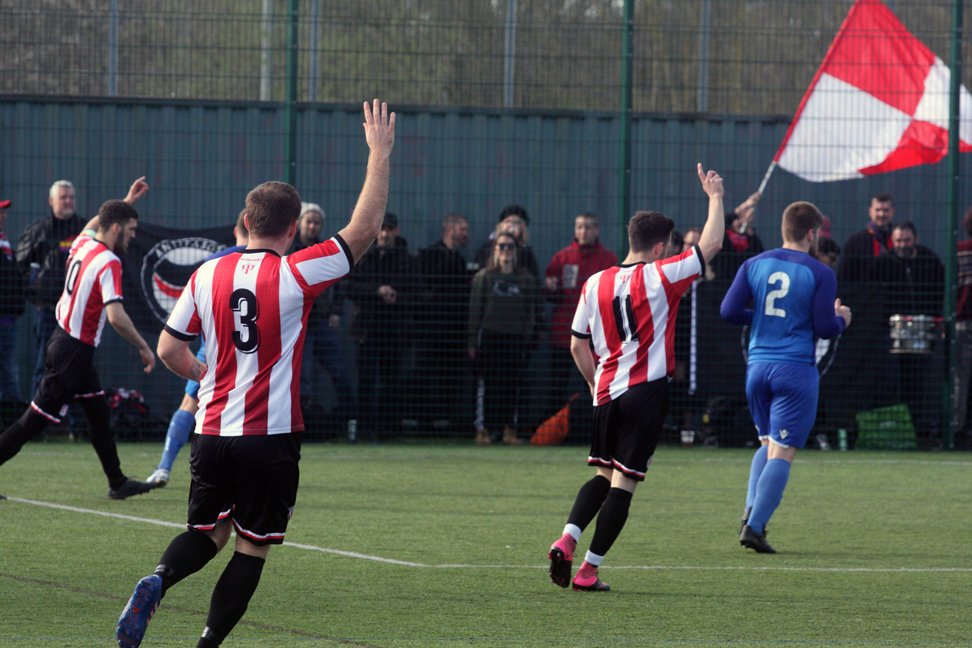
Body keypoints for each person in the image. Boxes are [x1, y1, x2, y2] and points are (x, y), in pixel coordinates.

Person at [115, 99, 395, 648]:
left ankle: (159, 579)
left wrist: (204, 371)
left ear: (245, 223)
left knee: (208, 532)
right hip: (269, 436)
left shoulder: (206, 274)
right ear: (292, 229)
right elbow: (363, 230)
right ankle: (206, 643)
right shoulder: (295, 272)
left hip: (211, 431)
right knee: (251, 546)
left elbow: (169, 348)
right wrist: (379, 154)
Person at [546, 163, 724, 591]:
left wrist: (595, 384)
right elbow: (712, 244)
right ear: (660, 246)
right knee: (623, 484)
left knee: (601, 475)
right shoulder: (663, 275)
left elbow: (576, 345)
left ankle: (566, 538)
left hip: (606, 392)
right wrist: (716, 197)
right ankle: (588, 571)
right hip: (646, 392)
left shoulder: (594, 283)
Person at [0, 178, 160, 500]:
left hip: (68, 344)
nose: (132, 236)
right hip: (72, 352)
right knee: (33, 421)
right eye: (130, 230)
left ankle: (117, 482)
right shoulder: (109, 261)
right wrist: (144, 345)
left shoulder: (83, 244)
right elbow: (116, 316)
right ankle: (117, 481)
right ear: (116, 228)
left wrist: (127, 201)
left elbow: (94, 223)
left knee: (98, 414)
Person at [720, 201, 851, 554]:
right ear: (812, 233)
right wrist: (842, 318)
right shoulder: (820, 272)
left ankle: (750, 513)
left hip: (757, 367)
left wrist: (761, 318)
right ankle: (755, 527)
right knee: (784, 451)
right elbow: (825, 327)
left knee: (767, 443)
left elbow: (728, 311)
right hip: (794, 369)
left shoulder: (754, 264)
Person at [145, 210, 249, 486]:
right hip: (255, 351)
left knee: (191, 404)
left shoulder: (214, 262)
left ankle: (164, 467)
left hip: (215, 347)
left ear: (237, 230)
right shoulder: (273, 263)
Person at [871, 221, 944, 436]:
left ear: (916, 239)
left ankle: (923, 428)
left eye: (907, 240)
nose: (903, 245)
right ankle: (899, 427)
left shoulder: (930, 260)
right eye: (899, 241)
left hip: (924, 331)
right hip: (891, 334)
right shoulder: (884, 263)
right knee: (894, 380)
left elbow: (940, 292)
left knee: (922, 381)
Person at [291, 201, 356, 440]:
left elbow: (340, 282)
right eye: (309, 221)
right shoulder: (290, 250)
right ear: (300, 223)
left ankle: (349, 423)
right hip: (299, 324)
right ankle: (299, 427)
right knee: (303, 375)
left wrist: (336, 311)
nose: (312, 226)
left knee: (339, 371)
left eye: (317, 223)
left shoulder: (325, 250)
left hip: (320, 322)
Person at [468, 231, 539, 445]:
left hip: (515, 338)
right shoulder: (484, 277)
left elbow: (530, 312)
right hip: (490, 336)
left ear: (516, 251)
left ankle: (509, 429)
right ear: (495, 250)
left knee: (511, 385)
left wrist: (528, 337)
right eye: (501, 246)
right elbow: (475, 311)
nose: (506, 250)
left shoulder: (525, 278)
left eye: (510, 246)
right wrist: (472, 341)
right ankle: (485, 429)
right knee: (489, 385)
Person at [543, 212, 616, 418]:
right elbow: (551, 294)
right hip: (563, 334)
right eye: (580, 227)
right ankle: (555, 429)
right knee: (557, 385)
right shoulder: (562, 258)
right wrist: (550, 288)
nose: (584, 231)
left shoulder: (607, 259)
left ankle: (595, 426)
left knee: (595, 385)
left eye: (588, 227)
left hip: (595, 337)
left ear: (596, 230)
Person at [347, 211, 413, 440]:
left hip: (394, 330)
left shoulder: (406, 260)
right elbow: (349, 288)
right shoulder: (363, 256)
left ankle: (388, 429)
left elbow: (417, 293)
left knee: (391, 380)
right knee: (366, 379)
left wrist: (397, 296)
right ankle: (365, 428)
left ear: (396, 231)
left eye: (389, 229)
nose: (385, 234)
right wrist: (377, 291)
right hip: (367, 329)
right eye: (382, 229)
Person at [16, 180, 86, 393]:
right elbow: (19, 267)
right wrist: (34, 295)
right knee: (46, 361)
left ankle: (72, 414)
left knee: (77, 364)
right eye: (63, 197)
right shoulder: (39, 231)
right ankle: (38, 411)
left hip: (77, 310)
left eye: (71, 197)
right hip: (47, 310)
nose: (68, 201)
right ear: (51, 201)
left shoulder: (84, 229)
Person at [411, 212, 473, 432]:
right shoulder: (429, 256)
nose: (466, 234)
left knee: (449, 374)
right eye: (463, 229)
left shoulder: (459, 260)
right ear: (450, 229)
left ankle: (445, 420)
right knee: (425, 373)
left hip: (453, 330)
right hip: (430, 329)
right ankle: (424, 421)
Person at [0, 196, 25, 403]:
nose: (3, 216)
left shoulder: (4, 240)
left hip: (8, 314)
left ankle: (10, 408)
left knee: (7, 363)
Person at [838, 193, 895, 282]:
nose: (881, 214)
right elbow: (844, 274)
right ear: (870, 212)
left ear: (892, 212)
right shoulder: (855, 241)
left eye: (886, 210)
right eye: (877, 210)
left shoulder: (899, 241)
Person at [474, 205, 539, 277]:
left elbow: (533, 278)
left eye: (517, 222)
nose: (511, 225)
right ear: (500, 225)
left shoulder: (527, 253)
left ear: (523, 227)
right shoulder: (487, 248)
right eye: (508, 221)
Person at [711, 191, 764, 280]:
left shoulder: (751, 239)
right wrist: (745, 205)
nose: (741, 221)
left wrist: (748, 229)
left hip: (743, 279)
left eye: (744, 219)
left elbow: (758, 253)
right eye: (739, 218)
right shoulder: (725, 236)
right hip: (722, 279)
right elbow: (722, 221)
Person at [955, 207, 972, 447]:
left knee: (961, 378)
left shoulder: (960, 252)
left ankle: (956, 430)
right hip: (964, 322)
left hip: (962, 321)